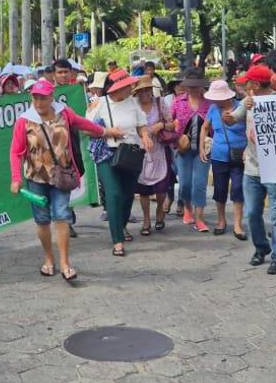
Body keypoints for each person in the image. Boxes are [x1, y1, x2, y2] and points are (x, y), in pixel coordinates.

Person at [9, 79, 114, 280]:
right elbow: (15, 151)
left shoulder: (64, 113)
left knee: (61, 215)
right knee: (42, 219)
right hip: (36, 178)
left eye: (43, 98)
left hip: (61, 176)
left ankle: (65, 262)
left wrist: (104, 131)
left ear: (51, 97)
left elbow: (82, 123)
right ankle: (49, 259)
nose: (39, 102)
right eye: (35, 98)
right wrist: (16, 178)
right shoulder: (24, 120)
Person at [90, 70, 152, 256]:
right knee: (114, 194)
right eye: (127, 86)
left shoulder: (133, 104)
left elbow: (142, 125)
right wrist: (109, 132)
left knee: (127, 195)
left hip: (131, 154)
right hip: (107, 155)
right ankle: (117, 240)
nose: (131, 88)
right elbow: (87, 129)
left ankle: (121, 225)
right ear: (117, 88)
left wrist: (146, 136)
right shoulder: (99, 104)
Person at [239, 65, 276, 272]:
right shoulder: (248, 101)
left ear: (257, 84)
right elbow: (232, 117)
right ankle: (261, 247)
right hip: (251, 167)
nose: (245, 85)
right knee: (251, 212)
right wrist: (230, 115)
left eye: (249, 81)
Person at [201, 79, 246, 238]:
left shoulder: (241, 107)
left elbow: (250, 128)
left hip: (239, 154)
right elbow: (205, 127)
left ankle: (238, 224)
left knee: (238, 188)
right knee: (219, 190)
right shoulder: (213, 108)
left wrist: (248, 148)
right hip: (219, 155)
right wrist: (202, 147)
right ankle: (221, 221)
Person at [171, 68, 211, 231]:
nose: (193, 89)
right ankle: (187, 208)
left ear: (202, 86)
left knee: (200, 183)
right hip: (182, 149)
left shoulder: (210, 103)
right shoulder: (178, 102)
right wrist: (174, 131)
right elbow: (169, 122)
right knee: (185, 183)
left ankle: (199, 217)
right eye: (190, 86)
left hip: (204, 149)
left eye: (196, 86)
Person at [133, 76, 172, 235]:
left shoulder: (160, 102)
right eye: (141, 90)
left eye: (147, 89)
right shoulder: (133, 106)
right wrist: (142, 134)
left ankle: (160, 212)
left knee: (162, 187)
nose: (144, 93)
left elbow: (172, 124)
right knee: (143, 189)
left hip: (160, 148)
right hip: (140, 150)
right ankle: (146, 219)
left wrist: (160, 125)